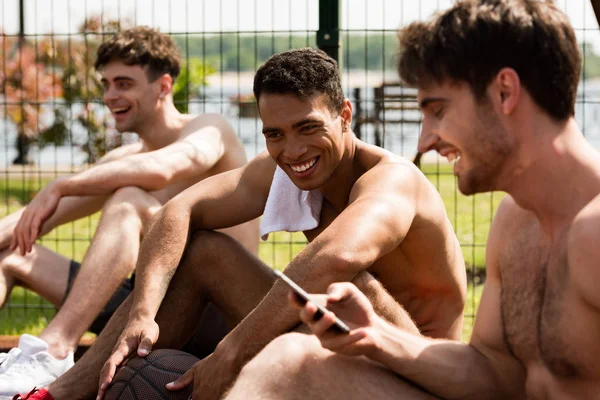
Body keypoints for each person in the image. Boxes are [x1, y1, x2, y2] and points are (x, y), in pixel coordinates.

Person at [17, 47, 467, 400]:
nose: (291, 150)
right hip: (332, 333)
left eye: (307, 127)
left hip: (416, 368)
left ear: (344, 115)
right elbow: (179, 210)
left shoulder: (392, 180)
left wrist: (230, 355)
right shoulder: (290, 165)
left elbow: (335, 259)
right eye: (275, 134)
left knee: (350, 284)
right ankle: (67, 393)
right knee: (203, 252)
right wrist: (142, 313)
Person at [224, 1, 600, 399]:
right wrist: (380, 337)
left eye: (437, 110)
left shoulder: (593, 234)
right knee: (290, 359)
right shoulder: (515, 220)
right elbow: (495, 373)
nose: (425, 140)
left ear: (504, 93)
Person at [0, 26, 258, 396]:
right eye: (105, 84)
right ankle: (27, 367)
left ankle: (53, 351)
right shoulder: (123, 159)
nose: (109, 95)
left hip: (212, 310)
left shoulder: (209, 129)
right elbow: (34, 219)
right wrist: (49, 199)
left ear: (164, 85)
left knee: (128, 201)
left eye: (123, 83)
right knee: (13, 257)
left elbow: (166, 168)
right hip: (143, 308)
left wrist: (62, 184)